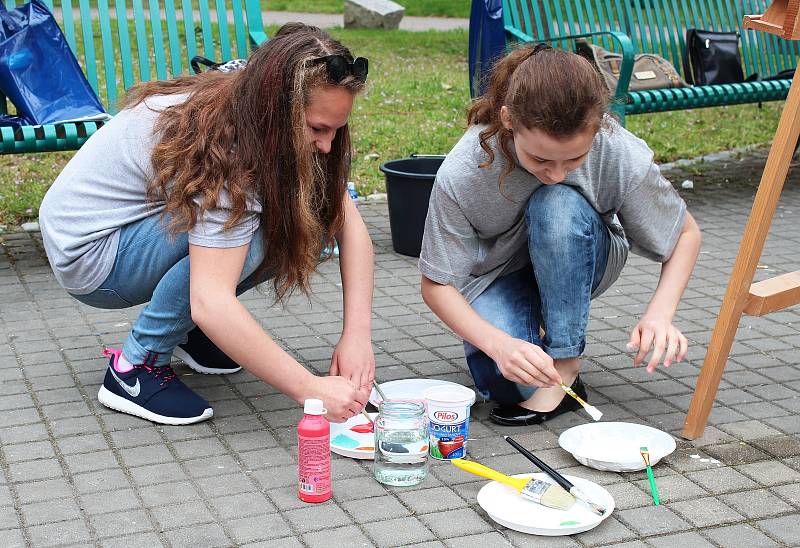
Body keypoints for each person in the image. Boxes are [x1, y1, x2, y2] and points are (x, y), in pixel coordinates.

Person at [38, 23, 375, 426]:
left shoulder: (255, 105)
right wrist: (310, 390)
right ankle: (136, 367)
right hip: (93, 253)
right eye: (318, 129)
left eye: (337, 130)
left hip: (135, 228)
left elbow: (347, 226)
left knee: (307, 225)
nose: (328, 146)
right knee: (263, 234)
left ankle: (188, 333)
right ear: (277, 110)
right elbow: (210, 300)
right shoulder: (230, 153)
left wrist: (357, 337)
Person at [419, 43, 701, 426]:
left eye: (574, 159)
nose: (557, 172)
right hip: (499, 274)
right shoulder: (464, 172)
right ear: (507, 120)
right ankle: (535, 327)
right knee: (510, 384)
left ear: (598, 127)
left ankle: (566, 365)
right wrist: (499, 345)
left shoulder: (615, 150)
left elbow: (685, 234)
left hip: (580, 250)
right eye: (540, 159)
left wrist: (660, 315)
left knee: (555, 202)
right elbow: (436, 285)